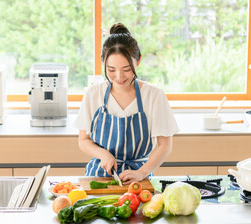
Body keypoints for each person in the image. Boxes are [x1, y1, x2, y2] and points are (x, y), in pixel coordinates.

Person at [75, 23, 179, 184]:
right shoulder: (93, 94)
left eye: (126, 69)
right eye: (111, 70)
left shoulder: (153, 95)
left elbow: (165, 145)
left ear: (138, 61)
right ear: (103, 63)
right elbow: (83, 140)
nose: (119, 77)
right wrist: (103, 154)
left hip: (139, 179)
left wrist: (142, 172)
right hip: (98, 178)